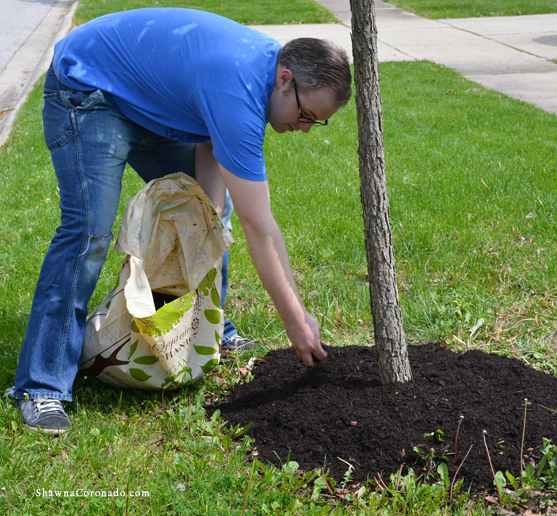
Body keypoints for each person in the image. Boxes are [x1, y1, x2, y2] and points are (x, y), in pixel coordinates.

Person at [13, 7, 352, 434]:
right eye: (306, 115)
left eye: (316, 123)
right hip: (89, 89)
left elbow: (211, 149)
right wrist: (297, 321)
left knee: (213, 215)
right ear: (285, 78)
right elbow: (259, 226)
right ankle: (41, 387)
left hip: (145, 100)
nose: (305, 128)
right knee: (90, 234)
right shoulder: (240, 91)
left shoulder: (263, 74)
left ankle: (211, 330)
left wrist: (202, 223)